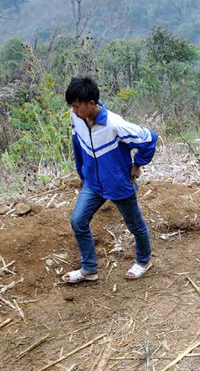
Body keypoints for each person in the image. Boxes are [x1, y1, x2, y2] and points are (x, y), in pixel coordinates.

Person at [62, 76, 158, 284]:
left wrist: (137, 164)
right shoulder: (76, 118)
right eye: (72, 106)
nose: (74, 111)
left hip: (117, 183)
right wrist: (82, 174)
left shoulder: (115, 124)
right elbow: (77, 145)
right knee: (78, 221)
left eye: (77, 106)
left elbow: (150, 138)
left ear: (92, 104)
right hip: (93, 183)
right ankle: (89, 269)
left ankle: (143, 261)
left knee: (134, 225)